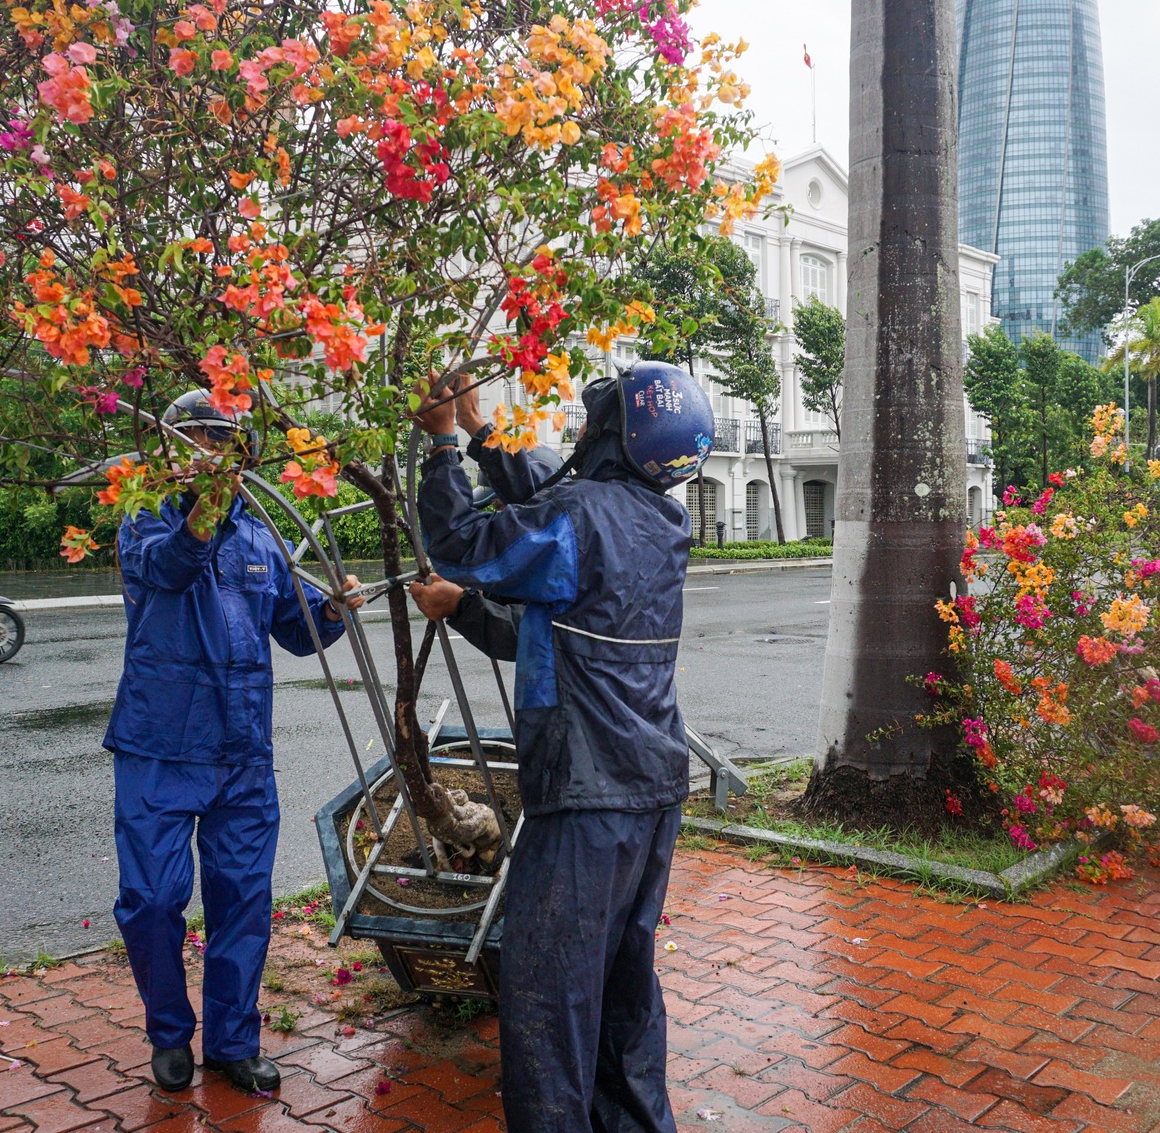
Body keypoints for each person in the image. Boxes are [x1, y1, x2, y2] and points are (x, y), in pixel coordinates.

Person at [414, 363, 713, 1133]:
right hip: (649, 792)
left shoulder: (578, 518)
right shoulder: (659, 522)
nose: (576, 433)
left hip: (585, 796)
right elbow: (546, 632)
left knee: (549, 1001)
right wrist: (485, 433)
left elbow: (459, 543)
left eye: (591, 421)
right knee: (622, 988)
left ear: (615, 437)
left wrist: (445, 445)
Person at [106, 390, 364, 1096]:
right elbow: (170, 568)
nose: (208, 453)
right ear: (169, 451)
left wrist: (334, 609)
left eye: (221, 442)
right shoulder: (142, 520)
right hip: (158, 744)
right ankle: (168, 1033)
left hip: (243, 752)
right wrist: (208, 507)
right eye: (194, 440)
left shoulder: (260, 540)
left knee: (243, 899)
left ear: (242, 454)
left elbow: (294, 630)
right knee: (152, 900)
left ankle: (231, 1042)